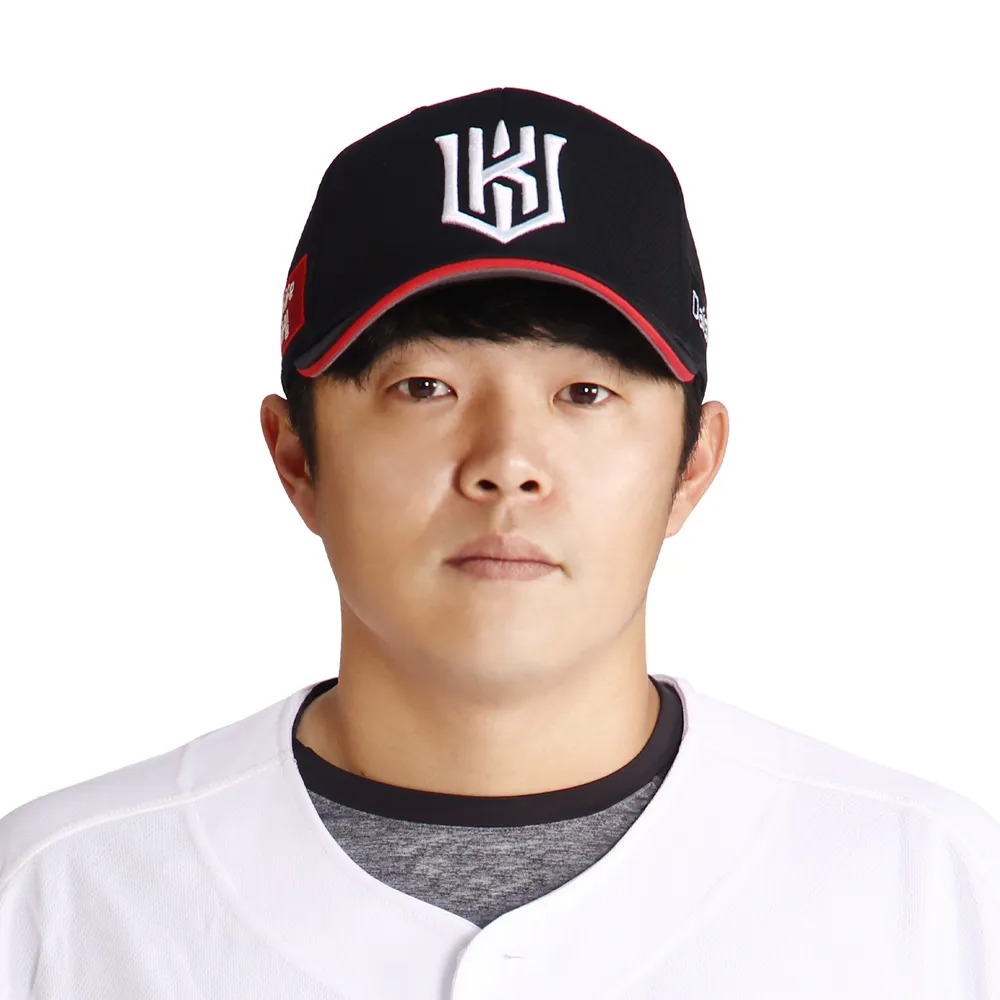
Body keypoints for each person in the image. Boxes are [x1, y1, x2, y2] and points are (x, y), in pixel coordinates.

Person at [1, 86, 998, 998]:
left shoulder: (928, 887)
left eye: (585, 392)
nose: (507, 463)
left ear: (692, 463)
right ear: (297, 455)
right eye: (423, 387)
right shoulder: (65, 895)